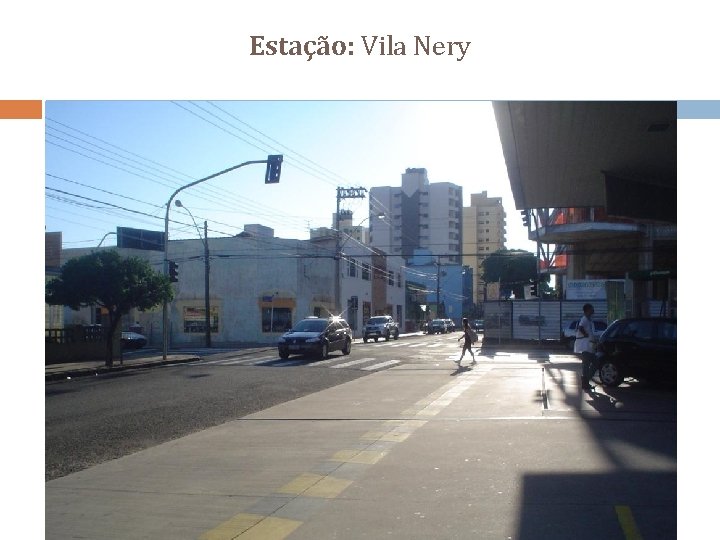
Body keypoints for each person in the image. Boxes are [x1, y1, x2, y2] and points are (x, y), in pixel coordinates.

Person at [574, 303, 597, 390]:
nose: (593, 310)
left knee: (594, 363)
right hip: (585, 346)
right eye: (592, 309)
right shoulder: (584, 319)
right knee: (587, 364)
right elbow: (580, 327)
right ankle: (585, 382)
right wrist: (585, 334)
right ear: (587, 310)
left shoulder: (589, 320)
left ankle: (586, 380)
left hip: (589, 346)